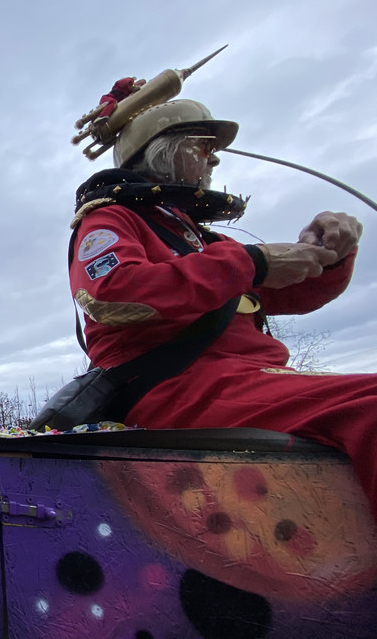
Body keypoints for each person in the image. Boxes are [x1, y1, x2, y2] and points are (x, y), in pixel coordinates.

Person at [68, 96, 376, 519]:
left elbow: (292, 293)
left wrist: (329, 251)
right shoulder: (110, 219)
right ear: (163, 152)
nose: (213, 159)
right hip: (179, 390)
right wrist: (251, 262)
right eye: (202, 145)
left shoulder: (203, 240)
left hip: (246, 382)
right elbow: (112, 293)